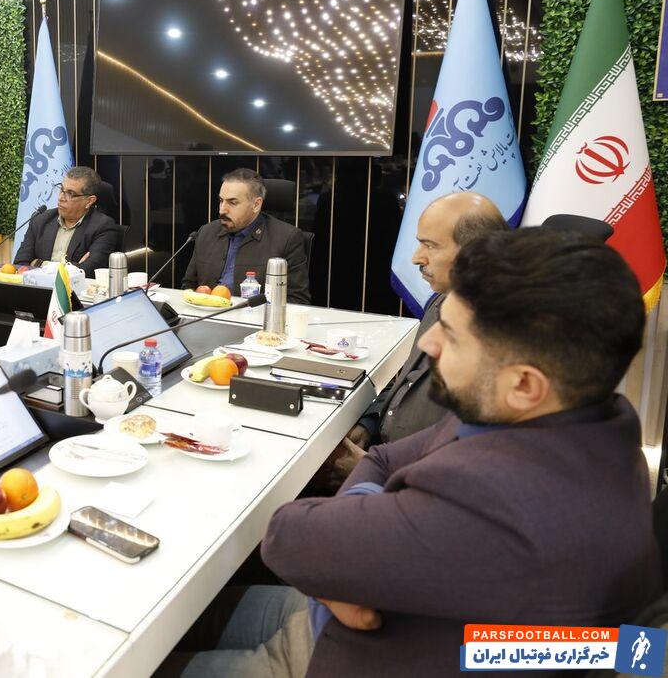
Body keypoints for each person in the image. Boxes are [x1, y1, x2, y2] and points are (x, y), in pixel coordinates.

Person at [167, 228, 659, 677]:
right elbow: (382, 460)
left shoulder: (497, 503)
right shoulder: (586, 419)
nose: (430, 341)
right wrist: (355, 559)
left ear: (525, 384)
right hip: (343, 610)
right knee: (190, 615)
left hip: (348, 654)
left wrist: (350, 549)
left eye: (454, 336)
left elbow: (287, 538)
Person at [319, 192, 509, 488]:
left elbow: (471, 465)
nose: (416, 258)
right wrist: (370, 423)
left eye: (430, 245)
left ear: (475, 251)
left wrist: (377, 474)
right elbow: (407, 377)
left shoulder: (502, 332)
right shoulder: (442, 299)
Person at [181, 168, 310, 304]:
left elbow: (297, 300)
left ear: (256, 205)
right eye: (221, 200)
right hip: (206, 313)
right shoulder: (206, 232)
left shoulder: (286, 238)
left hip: (255, 316)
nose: (222, 210)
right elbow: (188, 286)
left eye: (232, 202)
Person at [13, 166, 120, 277]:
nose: (61, 198)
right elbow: (20, 264)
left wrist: (39, 263)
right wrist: (73, 267)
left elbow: (90, 270)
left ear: (89, 201)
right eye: (61, 190)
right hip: (38, 286)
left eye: (70, 193)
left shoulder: (103, 227)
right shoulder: (41, 220)